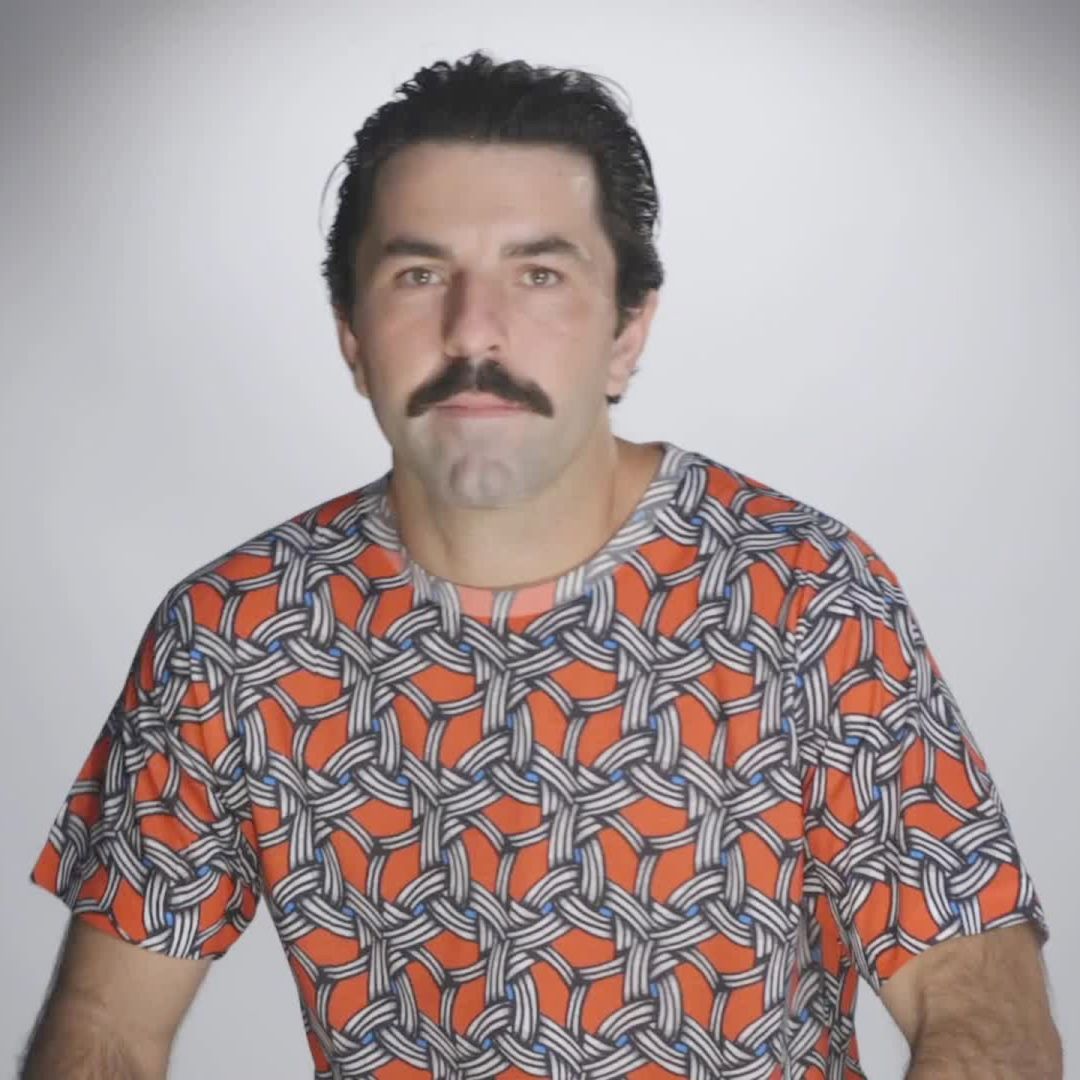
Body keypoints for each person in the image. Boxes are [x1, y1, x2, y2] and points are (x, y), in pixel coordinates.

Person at [22, 51, 1062, 1080]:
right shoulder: (234, 634)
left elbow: (980, 1006)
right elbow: (108, 1031)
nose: (474, 331)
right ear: (351, 336)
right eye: (419, 274)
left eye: (540, 274)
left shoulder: (803, 596)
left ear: (626, 331)